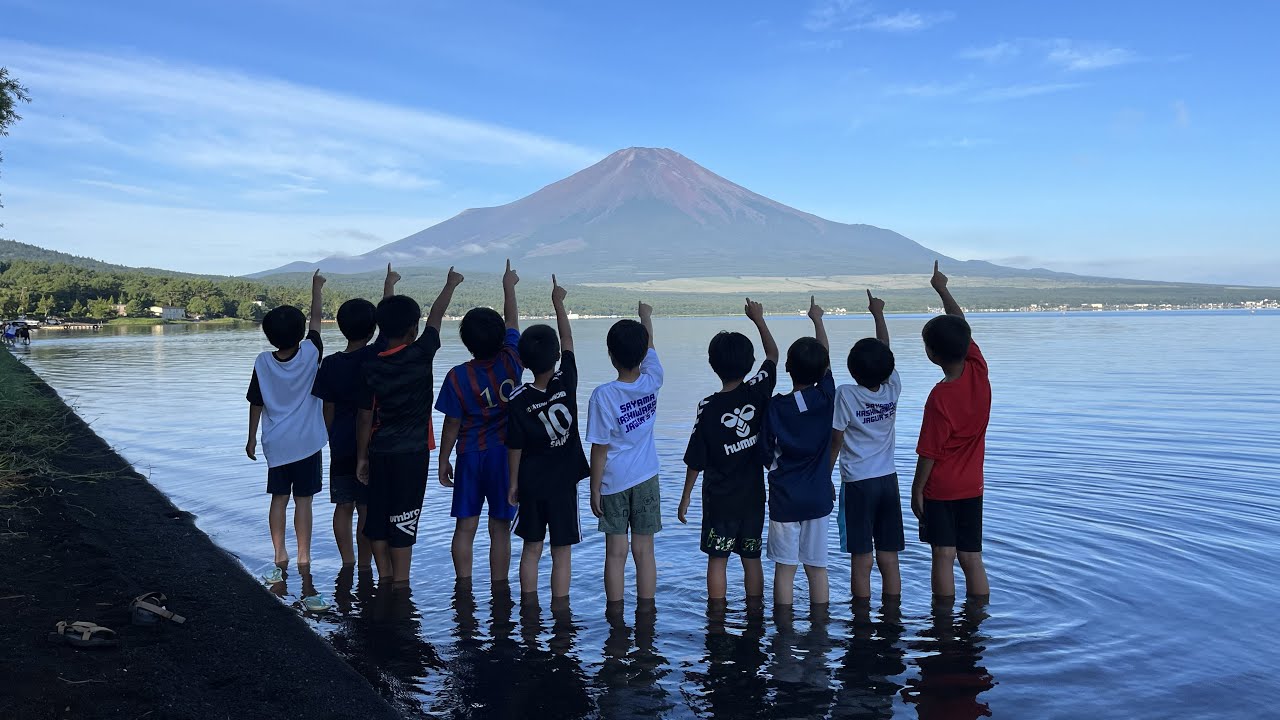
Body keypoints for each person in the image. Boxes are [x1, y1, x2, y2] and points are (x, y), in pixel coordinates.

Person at [355, 267, 464, 586]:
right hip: (412, 454)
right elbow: (436, 315)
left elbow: (364, 417)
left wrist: (362, 458)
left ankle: (385, 576)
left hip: (379, 451)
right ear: (413, 329)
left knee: (377, 518)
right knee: (403, 517)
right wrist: (450, 285)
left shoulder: (371, 362)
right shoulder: (422, 353)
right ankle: (400, 585)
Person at [678, 298, 779, 609]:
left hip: (719, 499)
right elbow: (773, 355)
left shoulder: (708, 408)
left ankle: (717, 620)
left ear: (712, 363)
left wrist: (685, 498)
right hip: (752, 497)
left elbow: (696, 459)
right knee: (752, 558)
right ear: (750, 364)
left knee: (717, 560)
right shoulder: (759, 390)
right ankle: (755, 615)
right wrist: (759, 319)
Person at [436, 259, 524, 586]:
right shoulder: (513, 360)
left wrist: (444, 458)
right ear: (501, 339)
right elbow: (512, 319)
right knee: (500, 527)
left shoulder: (458, 376)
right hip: (505, 456)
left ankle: (464, 587)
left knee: (465, 526)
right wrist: (508, 286)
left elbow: (451, 424)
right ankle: (500, 589)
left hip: (471, 455)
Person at [506, 275, 590, 605]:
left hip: (531, 482)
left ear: (523, 363)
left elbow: (515, 446)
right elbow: (567, 338)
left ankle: (529, 609)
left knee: (531, 548)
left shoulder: (518, 399)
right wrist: (559, 303)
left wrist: (513, 483)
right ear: (556, 356)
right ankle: (561, 610)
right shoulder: (566, 381)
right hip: (563, 482)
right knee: (562, 553)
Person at [912, 261, 992, 600]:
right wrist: (942, 289)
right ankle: (978, 618)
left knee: (943, 556)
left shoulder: (940, 398)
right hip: (972, 487)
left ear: (932, 354)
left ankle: (942, 624)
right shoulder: (979, 370)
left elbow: (930, 453)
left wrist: (917, 491)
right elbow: (960, 324)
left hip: (942, 490)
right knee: (971, 557)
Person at [311, 264, 400, 569]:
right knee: (365, 506)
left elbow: (328, 407)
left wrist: (328, 436)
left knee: (342, 505)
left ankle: (347, 563)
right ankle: (364, 565)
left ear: (340, 327)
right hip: (371, 441)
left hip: (340, 442)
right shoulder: (374, 355)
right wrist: (389, 284)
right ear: (373, 328)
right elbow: (390, 326)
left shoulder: (332, 364)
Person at [245, 271, 327, 597]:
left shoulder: (263, 362)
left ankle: (280, 555)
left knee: (279, 498)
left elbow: (255, 402)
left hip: (276, 443)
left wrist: (251, 437)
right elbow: (317, 321)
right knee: (303, 501)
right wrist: (316, 288)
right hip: (307, 443)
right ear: (299, 332)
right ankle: (304, 557)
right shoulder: (311, 352)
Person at [585, 302, 662, 611]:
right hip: (647, 477)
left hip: (614, 482)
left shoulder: (604, 395)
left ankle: (614, 615)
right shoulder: (652, 380)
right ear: (643, 355)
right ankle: (647, 613)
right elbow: (651, 348)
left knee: (615, 553)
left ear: (610, 355)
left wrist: (593, 488)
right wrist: (646, 317)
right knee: (645, 552)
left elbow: (600, 448)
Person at [761, 296, 835, 610]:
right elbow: (826, 360)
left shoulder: (776, 407)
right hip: (818, 497)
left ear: (788, 368)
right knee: (817, 569)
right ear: (821, 371)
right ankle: (821, 631)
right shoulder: (827, 396)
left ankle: (784, 631)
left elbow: (765, 455)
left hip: (785, 500)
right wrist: (817, 320)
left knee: (785, 570)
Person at [830, 290, 904, 601]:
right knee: (889, 557)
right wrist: (878, 314)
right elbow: (885, 353)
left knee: (861, 560)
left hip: (858, 484)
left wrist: (823, 477)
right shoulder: (892, 388)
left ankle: (861, 623)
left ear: (852, 370)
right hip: (888, 480)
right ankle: (892, 617)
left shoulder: (847, 395)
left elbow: (835, 441)